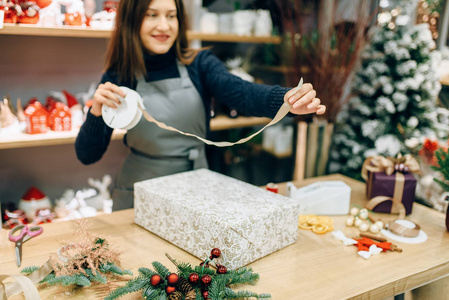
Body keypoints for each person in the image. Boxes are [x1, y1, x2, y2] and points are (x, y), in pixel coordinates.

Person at [75, 0, 326, 211]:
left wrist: (286, 101)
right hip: (138, 189)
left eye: (171, 16)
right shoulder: (120, 75)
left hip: (194, 183)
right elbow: (87, 155)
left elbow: (241, 92)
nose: (164, 25)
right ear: (133, 21)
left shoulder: (200, 64)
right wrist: (96, 112)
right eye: (152, 15)